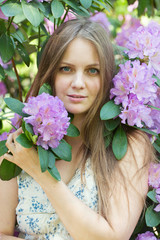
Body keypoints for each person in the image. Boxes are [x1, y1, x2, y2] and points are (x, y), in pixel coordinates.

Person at [0, 18, 155, 240]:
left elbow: (112, 238)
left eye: (92, 71)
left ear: (107, 77)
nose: (78, 83)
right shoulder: (22, 143)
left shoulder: (129, 145)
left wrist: (41, 174)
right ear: (51, 73)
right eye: (66, 69)